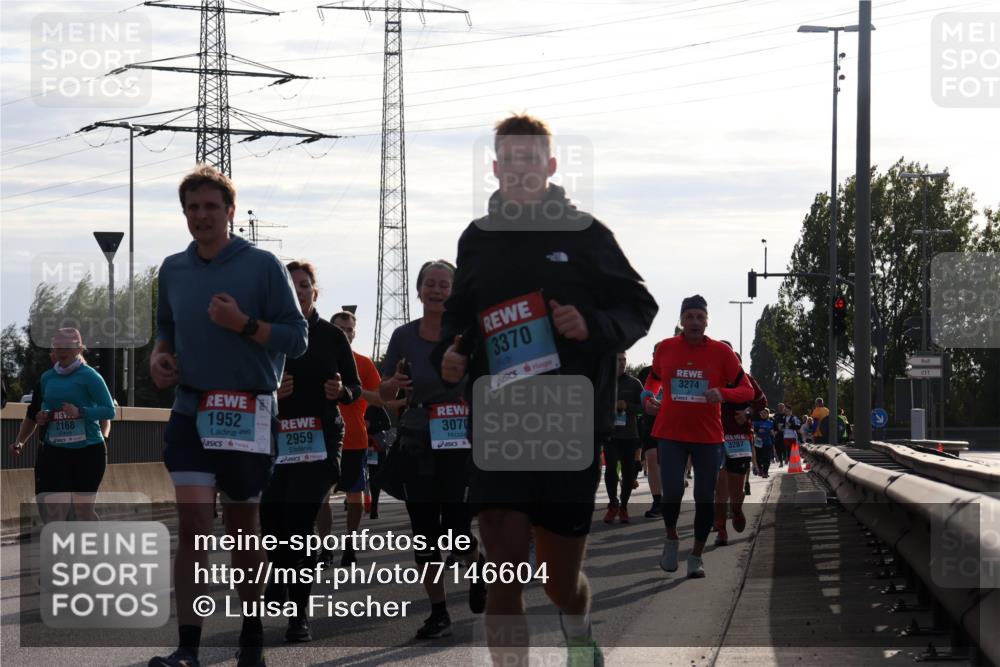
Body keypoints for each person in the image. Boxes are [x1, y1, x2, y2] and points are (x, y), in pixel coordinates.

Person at [438, 114, 658, 666]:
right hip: (499, 416)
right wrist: (453, 352)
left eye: (530, 159)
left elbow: (639, 306)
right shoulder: (477, 239)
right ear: (495, 168)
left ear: (550, 166)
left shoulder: (586, 234)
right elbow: (460, 317)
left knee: (560, 582)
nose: (519, 169)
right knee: (502, 573)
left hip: (567, 419)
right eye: (508, 159)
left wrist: (591, 325)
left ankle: (578, 626)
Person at [148, 165, 308, 667]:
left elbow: (297, 338)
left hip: (247, 410)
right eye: (192, 208)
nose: (201, 216)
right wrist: (159, 357)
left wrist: (245, 325)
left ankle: (252, 635)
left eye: (211, 207)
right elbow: (165, 328)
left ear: (230, 212)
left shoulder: (262, 265)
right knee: (194, 524)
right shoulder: (172, 268)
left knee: (243, 526)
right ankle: (188, 648)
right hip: (191, 408)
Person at [381, 260, 487, 640]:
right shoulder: (403, 336)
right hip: (416, 441)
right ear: (419, 289)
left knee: (457, 534)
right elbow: (383, 393)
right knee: (424, 533)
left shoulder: (469, 335)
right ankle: (439, 612)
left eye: (445, 285)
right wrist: (393, 383)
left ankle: (477, 567)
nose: (437, 290)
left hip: (460, 444)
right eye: (431, 284)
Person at [258, 261, 361, 642]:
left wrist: (340, 392)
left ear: (315, 292)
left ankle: (298, 616)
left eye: (304, 286)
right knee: (272, 527)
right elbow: (248, 382)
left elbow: (352, 385)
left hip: (319, 440)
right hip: (275, 439)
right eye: (290, 286)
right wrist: (271, 392)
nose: (298, 291)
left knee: (298, 527)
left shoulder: (332, 336)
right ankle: (282, 576)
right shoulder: (268, 334)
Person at [643, 296, 754, 579]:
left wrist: (724, 393)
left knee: (705, 497)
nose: (694, 321)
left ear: (707, 321)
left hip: (707, 437)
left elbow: (747, 390)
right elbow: (653, 379)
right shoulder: (666, 348)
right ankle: (671, 539)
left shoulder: (721, 353)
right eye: (689, 316)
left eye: (699, 317)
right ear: (682, 321)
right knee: (673, 493)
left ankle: (696, 556)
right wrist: (647, 396)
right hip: (670, 433)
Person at [10, 330, 114, 522]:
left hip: (88, 451)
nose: (62, 351)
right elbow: (45, 407)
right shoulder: (48, 377)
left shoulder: (90, 376)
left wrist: (81, 412)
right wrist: (43, 416)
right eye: (57, 347)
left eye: (67, 347)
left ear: (79, 349)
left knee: (82, 512)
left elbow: (109, 411)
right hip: (55, 450)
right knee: (55, 510)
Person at [329, 309, 394, 565]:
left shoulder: (363, 363)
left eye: (350, 330)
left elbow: (381, 398)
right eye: (340, 329)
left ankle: (349, 543)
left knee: (354, 494)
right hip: (321, 434)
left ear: (355, 333)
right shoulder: (320, 357)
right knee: (319, 495)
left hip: (355, 437)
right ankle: (322, 546)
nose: (346, 334)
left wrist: (352, 391)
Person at [603, 352, 645, 524]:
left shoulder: (634, 383)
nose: (622, 363)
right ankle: (613, 503)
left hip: (629, 435)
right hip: (610, 434)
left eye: (624, 360)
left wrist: (628, 406)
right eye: (618, 360)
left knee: (628, 474)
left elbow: (644, 407)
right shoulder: (603, 382)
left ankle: (624, 506)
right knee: (611, 468)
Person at [636, 361, 662, 519]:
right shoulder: (646, 373)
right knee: (652, 460)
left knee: (669, 464)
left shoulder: (677, 369)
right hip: (651, 425)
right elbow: (640, 396)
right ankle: (657, 502)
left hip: (673, 425)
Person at [752, 409, 775, 478]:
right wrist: (757, 432)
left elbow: (773, 432)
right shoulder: (756, 423)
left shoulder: (770, 423)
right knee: (758, 458)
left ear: (768, 414)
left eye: (765, 413)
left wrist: (772, 433)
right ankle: (760, 470)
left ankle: (765, 472)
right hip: (758, 443)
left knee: (767, 458)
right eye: (762, 413)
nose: (763, 414)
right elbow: (753, 432)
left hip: (768, 443)